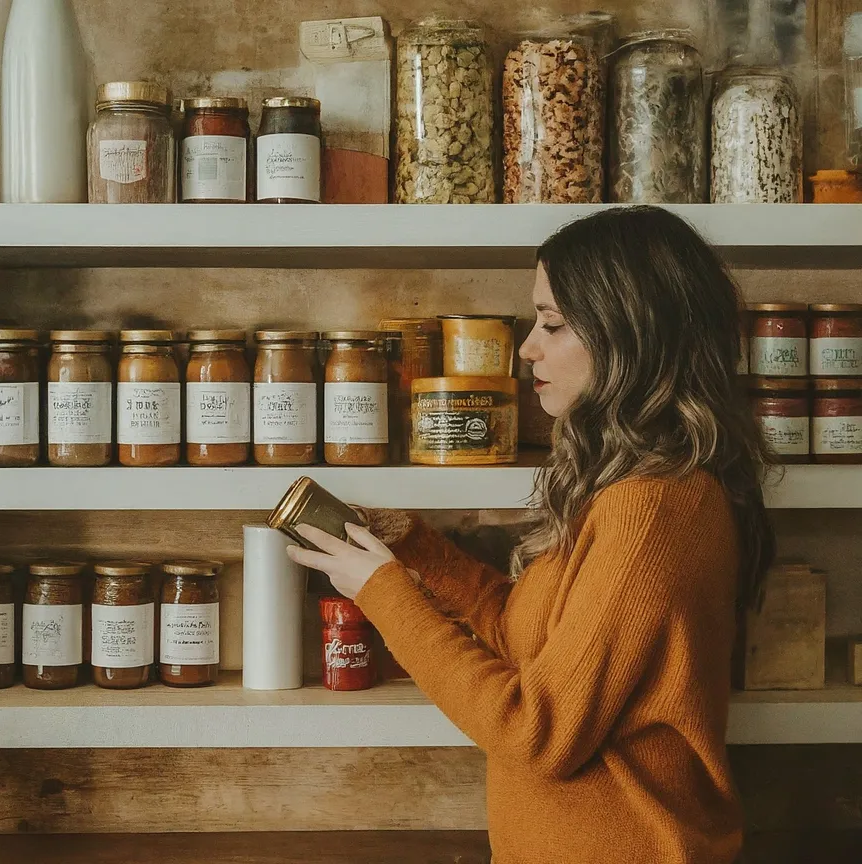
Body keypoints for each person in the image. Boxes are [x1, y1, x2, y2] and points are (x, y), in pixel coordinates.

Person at [287, 206, 775, 864]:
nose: (528, 347)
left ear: (628, 334)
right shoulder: (631, 492)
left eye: (553, 323)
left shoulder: (656, 511)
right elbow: (528, 634)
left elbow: (538, 731)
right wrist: (418, 551)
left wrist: (382, 592)